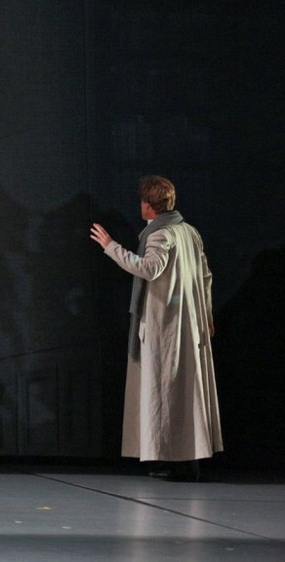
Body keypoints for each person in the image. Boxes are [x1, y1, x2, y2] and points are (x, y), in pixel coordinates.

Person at [90, 175, 222, 481]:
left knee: (166, 390)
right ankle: (177, 460)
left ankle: (181, 463)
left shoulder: (161, 234)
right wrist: (206, 313)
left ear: (149, 206)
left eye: (142, 201)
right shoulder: (188, 231)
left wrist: (111, 247)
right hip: (186, 321)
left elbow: (149, 269)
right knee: (181, 390)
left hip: (166, 325)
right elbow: (205, 276)